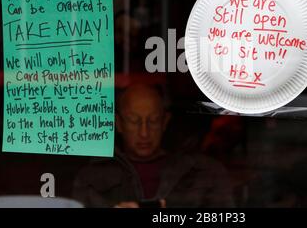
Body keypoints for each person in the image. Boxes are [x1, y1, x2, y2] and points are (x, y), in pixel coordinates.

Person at [72, 84, 234, 208]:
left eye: (153, 120)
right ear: (118, 123)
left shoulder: (205, 172)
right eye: (134, 121)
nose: (144, 132)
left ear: (165, 122)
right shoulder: (91, 178)